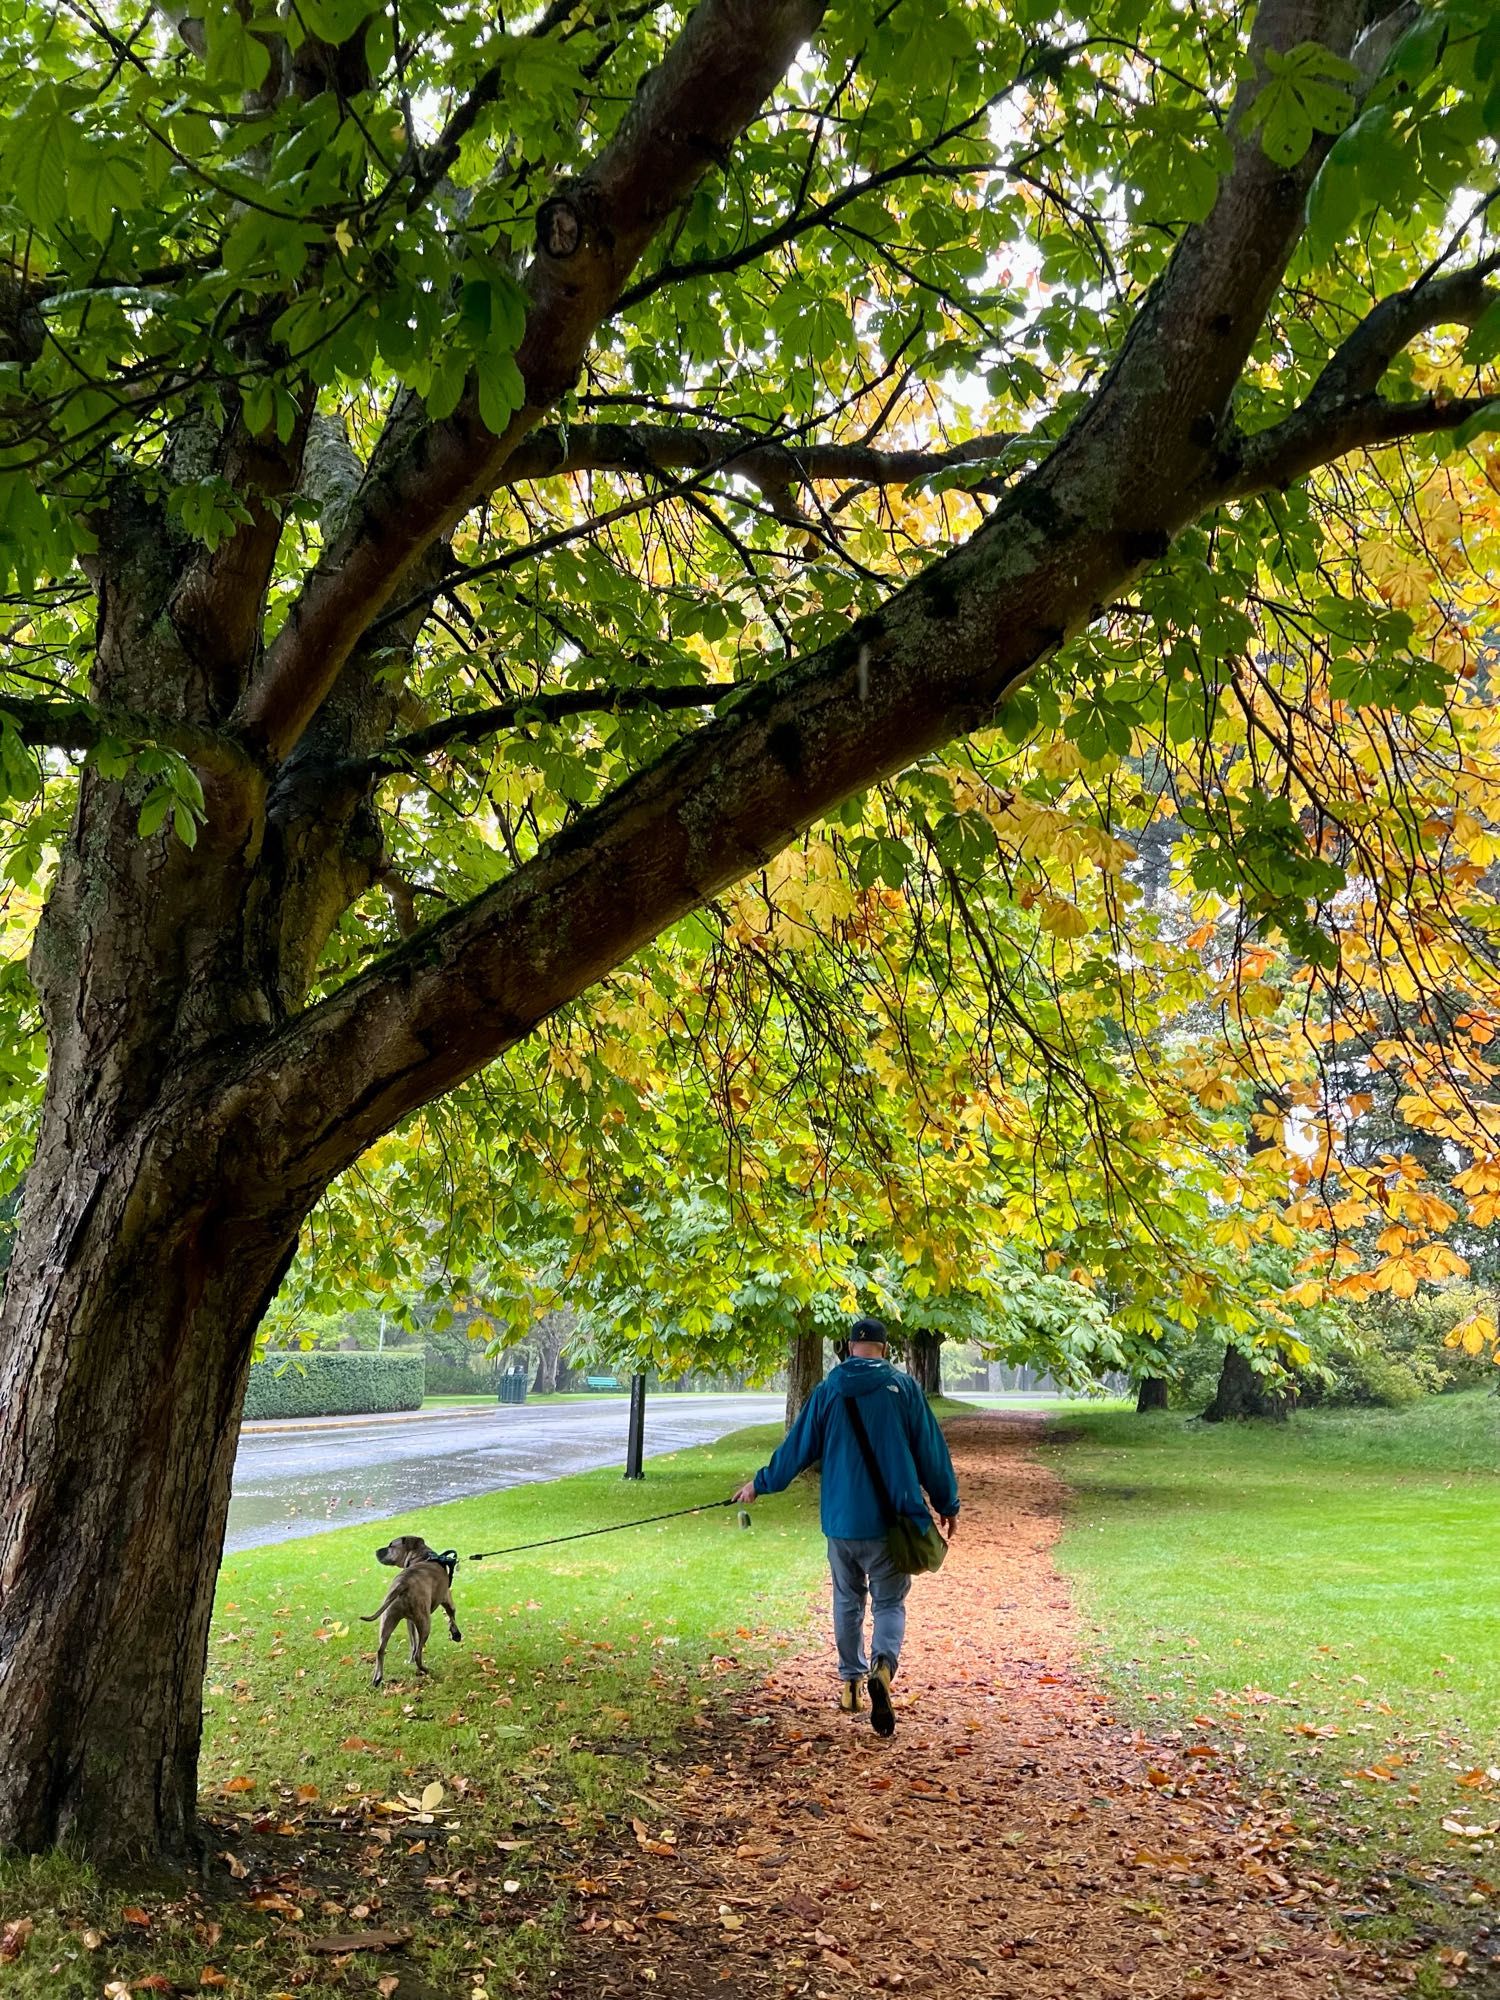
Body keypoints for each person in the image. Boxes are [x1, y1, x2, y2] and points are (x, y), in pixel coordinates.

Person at [733, 1316, 959, 1737]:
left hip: (841, 1522)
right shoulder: (904, 1388)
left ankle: (852, 1684)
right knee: (889, 1603)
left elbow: (797, 1448)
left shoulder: (829, 1390)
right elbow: (931, 1450)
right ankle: (883, 1667)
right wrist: (947, 1503)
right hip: (892, 1521)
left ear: (849, 1347)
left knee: (847, 1600)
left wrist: (759, 1485)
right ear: (885, 1350)